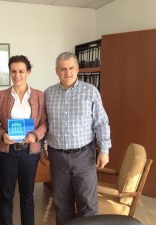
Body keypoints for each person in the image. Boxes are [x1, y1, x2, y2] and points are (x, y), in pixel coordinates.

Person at [44, 52, 111, 225]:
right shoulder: (48, 94)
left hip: (84, 156)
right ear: (56, 71)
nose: (68, 73)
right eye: (63, 69)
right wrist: (39, 148)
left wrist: (104, 150)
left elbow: (102, 123)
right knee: (61, 204)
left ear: (78, 69)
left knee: (87, 204)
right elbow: (44, 124)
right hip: (57, 156)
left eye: (71, 68)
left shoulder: (90, 91)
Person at [0, 55, 47, 225]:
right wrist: (2, 135)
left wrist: (34, 135)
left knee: (27, 196)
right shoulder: (1, 95)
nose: (17, 75)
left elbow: (44, 123)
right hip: (7, 152)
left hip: (29, 153)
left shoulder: (38, 95)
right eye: (13, 71)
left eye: (21, 71)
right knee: (6, 195)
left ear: (28, 72)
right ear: (9, 72)